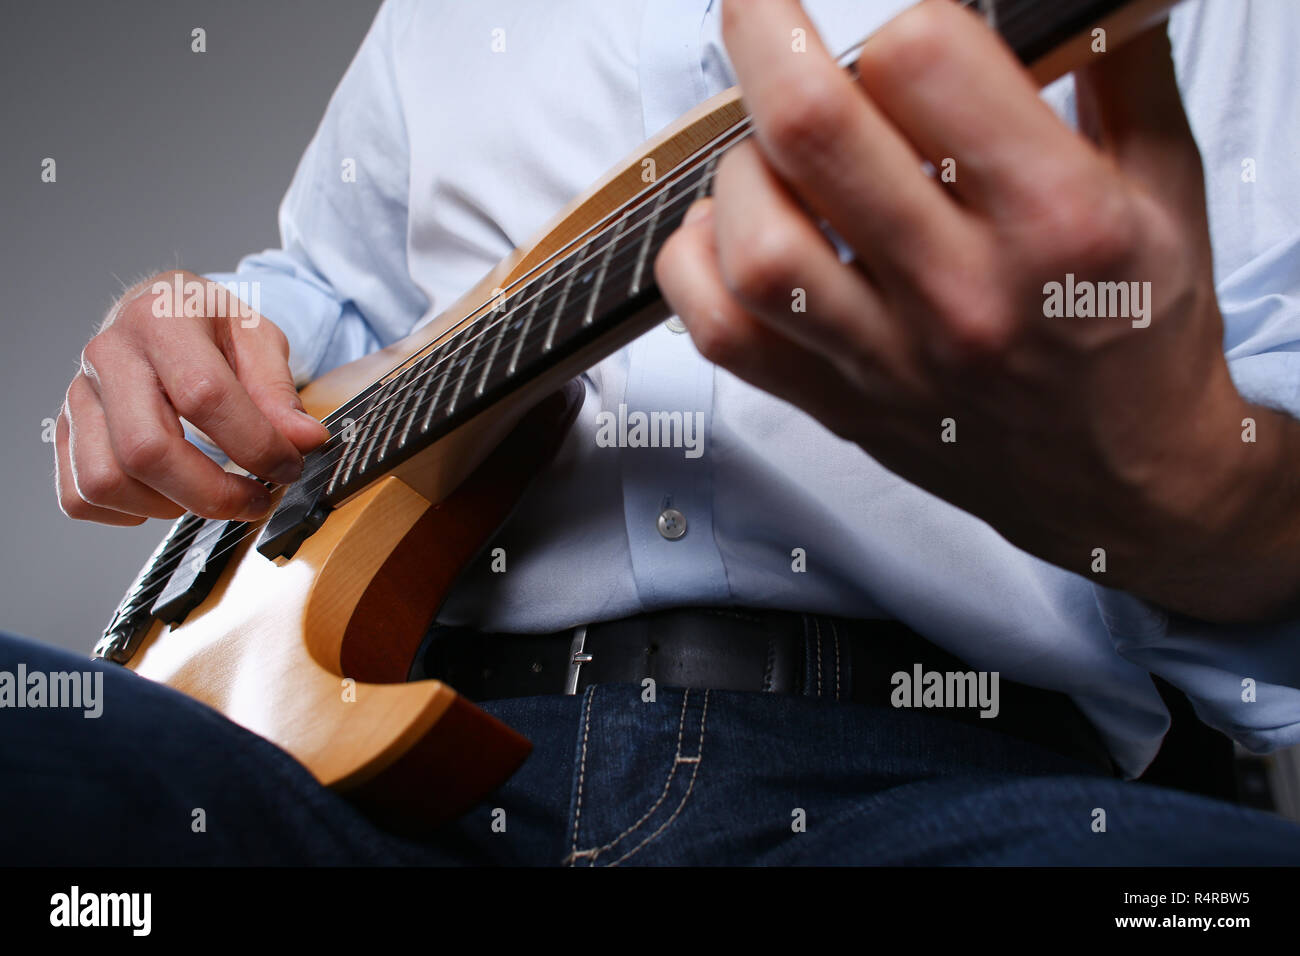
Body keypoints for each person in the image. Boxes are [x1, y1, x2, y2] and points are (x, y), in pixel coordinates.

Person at [12, 0, 1300, 864]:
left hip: (956, 781)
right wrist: (184, 338)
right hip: (369, 783)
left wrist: (1199, 495)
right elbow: (318, 305)